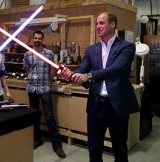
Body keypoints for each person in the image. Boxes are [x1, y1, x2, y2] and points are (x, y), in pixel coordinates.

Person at [59, 13, 140, 162]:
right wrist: (71, 75)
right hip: (96, 107)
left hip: (117, 107)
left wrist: (89, 76)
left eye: (102, 23)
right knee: (94, 151)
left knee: (120, 150)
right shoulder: (91, 50)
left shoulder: (127, 47)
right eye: (97, 24)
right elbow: (83, 69)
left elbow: (118, 68)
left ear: (112, 25)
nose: (97, 27)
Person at [24, 30, 66, 159]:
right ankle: (37, 140)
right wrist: (31, 78)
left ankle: (57, 145)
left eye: (39, 38)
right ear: (33, 39)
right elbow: (26, 69)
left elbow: (53, 69)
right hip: (32, 89)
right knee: (34, 115)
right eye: (35, 38)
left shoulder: (48, 53)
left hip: (45, 88)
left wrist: (49, 80)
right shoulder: (27, 54)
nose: (37, 40)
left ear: (42, 39)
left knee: (49, 117)